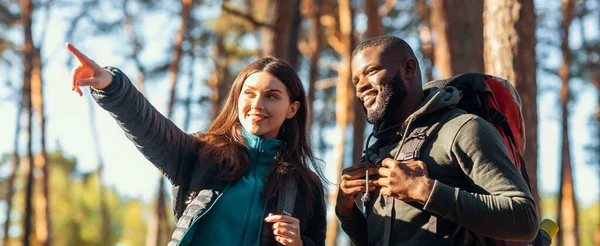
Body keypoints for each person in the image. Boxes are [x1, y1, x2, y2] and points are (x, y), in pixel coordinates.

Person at [66, 43, 326, 246]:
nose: (257, 104)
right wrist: (111, 86)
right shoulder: (202, 155)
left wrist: (300, 243)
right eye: (249, 93)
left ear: (292, 109)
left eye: (271, 96)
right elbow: (151, 128)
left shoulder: (305, 185)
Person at [335, 35, 539, 245]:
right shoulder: (378, 150)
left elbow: (525, 220)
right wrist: (346, 212)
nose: (361, 86)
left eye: (371, 71)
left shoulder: (463, 129)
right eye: (356, 80)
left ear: (409, 68)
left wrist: (425, 191)